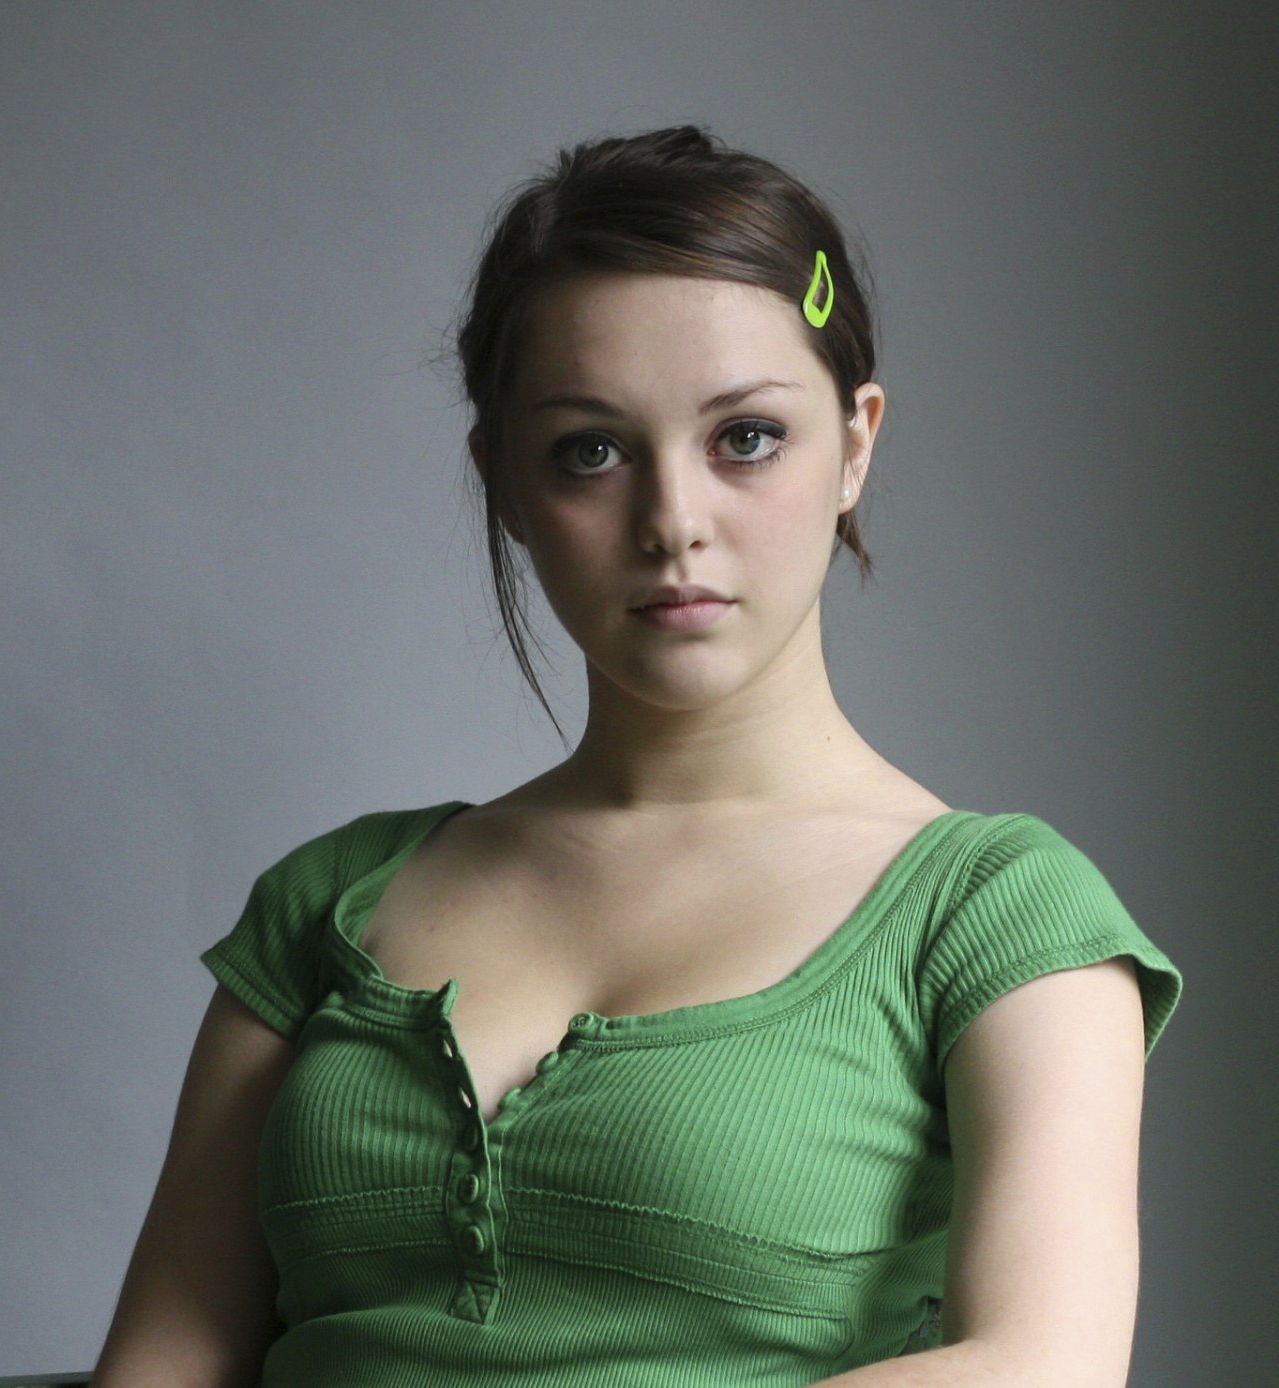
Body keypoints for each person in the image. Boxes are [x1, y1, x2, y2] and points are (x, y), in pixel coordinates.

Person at [89, 125, 1183, 1387]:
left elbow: (1043, 1362)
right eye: (590, 450)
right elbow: (162, 1364)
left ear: (856, 443)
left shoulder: (997, 912)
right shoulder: (330, 902)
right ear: (504, 480)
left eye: (747, 437)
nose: (673, 521)